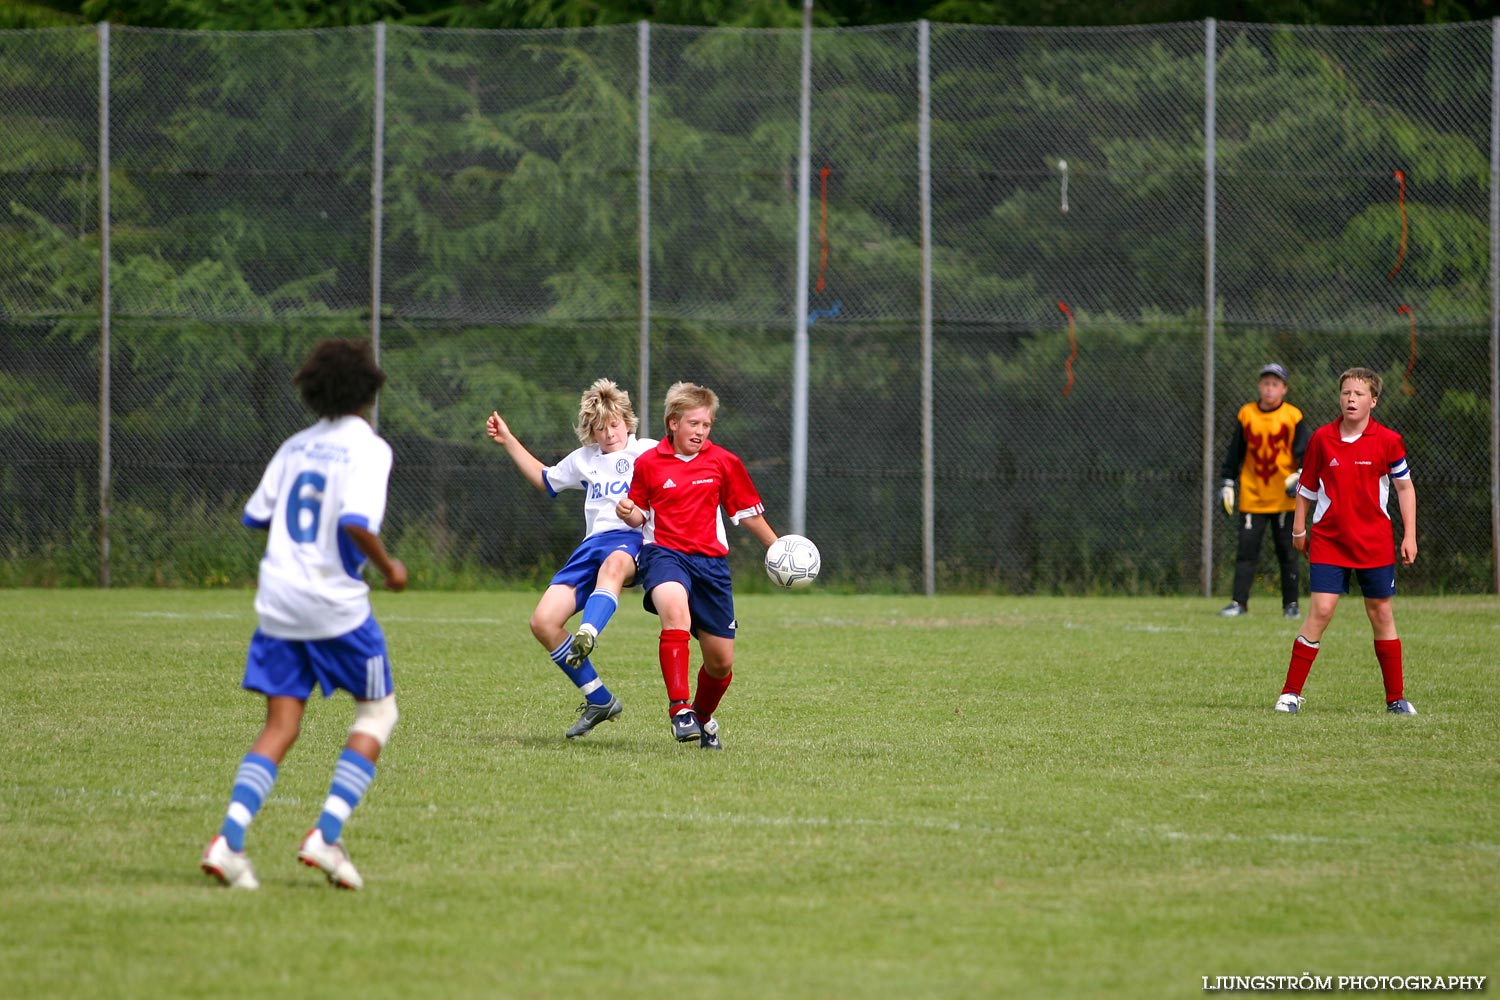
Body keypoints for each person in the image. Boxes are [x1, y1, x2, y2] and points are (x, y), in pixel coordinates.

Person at [201, 338, 407, 891]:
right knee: (377, 714)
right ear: (369, 389)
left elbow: (257, 515)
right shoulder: (369, 448)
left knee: (281, 726)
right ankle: (326, 834)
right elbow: (357, 523)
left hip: (278, 600)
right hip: (334, 605)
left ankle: (228, 841)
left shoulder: (294, 446)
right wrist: (389, 568)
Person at [485, 379, 655, 739]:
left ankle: (588, 632)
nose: (608, 433)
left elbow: (687, 470)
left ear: (627, 422)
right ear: (589, 431)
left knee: (612, 568)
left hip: (631, 540)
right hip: (590, 546)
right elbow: (545, 479)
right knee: (543, 622)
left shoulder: (649, 453)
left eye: (613, 425)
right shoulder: (584, 459)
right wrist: (508, 440)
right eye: (599, 428)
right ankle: (599, 699)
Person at [614, 381, 779, 751]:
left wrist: (778, 548)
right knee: (674, 611)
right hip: (665, 555)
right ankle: (680, 710)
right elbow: (639, 514)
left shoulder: (723, 461)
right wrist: (629, 512)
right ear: (673, 423)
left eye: (706, 425)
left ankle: (702, 720)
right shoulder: (649, 463)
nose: (701, 432)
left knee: (721, 664)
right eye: (693, 424)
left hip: (711, 565)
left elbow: (746, 512)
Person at [1275, 367, 1417, 715]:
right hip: (1330, 541)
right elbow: (1305, 489)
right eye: (1346, 393)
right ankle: (1290, 694)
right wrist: (1298, 529)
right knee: (1321, 610)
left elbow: (1404, 487)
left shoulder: (1389, 441)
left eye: (1358, 394)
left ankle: (1395, 699)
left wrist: (1410, 535)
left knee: (1381, 612)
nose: (1351, 399)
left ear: (1373, 400)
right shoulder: (1322, 439)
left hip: (1374, 542)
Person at [1218, 362, 1309, 618]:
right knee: (1246, 553)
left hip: (1284, 498)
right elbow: (1233, 454)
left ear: (1284, 389)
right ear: (1259, 386)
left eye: (1275, 384)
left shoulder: (1293, 416)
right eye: (1266, 383)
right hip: (1253, 495)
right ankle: (1239, 603)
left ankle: (1291, 605)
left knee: (1287, 554)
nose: (1269, 389)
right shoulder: (1246, 414)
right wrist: (1227, 483)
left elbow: (1306, 455)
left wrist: (1300, 475)